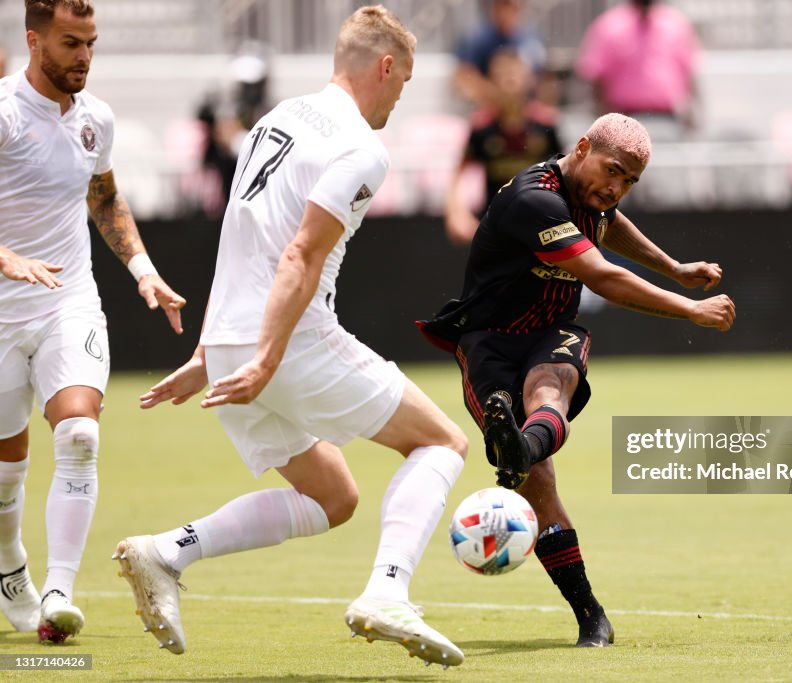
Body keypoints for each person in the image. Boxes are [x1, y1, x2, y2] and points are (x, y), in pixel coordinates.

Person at [114, 6, 468, 667]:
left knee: (334, 495)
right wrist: (268, 357)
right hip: (285, 342)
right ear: (384, 67)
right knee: (443, 440)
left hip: (231, 342)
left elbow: (239, 236)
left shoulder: (273, 120)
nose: (401, 96)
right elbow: (300, 255)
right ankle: (388, 591)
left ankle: (168, 552)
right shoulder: (362, 147)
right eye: (404, 80)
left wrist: (210, 352)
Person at [419, 113, 735, 647]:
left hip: (551, 331)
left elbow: (613, 225)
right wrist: (689, 308)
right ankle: (591, 611)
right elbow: (604, 275)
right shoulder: (533, 200)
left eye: (629, 182)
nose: (616, 189)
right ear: (582, 147)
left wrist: (674, 267)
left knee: (550, 384)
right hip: (488, 342)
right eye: (613, 172)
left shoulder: (593, 196)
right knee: (539, 483)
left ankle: (519, 447)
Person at [0, 0, 186, 644]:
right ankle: (9, 565)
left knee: (79, 432)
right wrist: (5, 257)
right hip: (1, 310)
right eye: (71, 43)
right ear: (35, 40)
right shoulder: (1, 112)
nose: (83, 56)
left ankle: (58, 590)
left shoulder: (95, 119)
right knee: (6, 464)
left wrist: (143, 269)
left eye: (91, 43)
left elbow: (103, 197)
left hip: (67, 302)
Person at [446, 49, 561, 245]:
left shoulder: (545, 125)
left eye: (514, 73)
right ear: (491, 82)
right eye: (502, 75)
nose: (510, 80)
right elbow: (458, 174)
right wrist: (457, 213)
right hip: (495, 230)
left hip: (541, 228)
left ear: (529, 80)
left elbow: (565, 173)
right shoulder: (482, 128)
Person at [575, 0, 702, 138]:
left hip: (667, 120)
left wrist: (693, 112)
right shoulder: (609, 25)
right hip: (623, 122)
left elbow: (689, 72)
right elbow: (596, 78)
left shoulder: (675, 24)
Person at [452, 0, 546, 108]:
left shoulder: (531, 38)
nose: (508, 12)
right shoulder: (476, 38)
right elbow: (464, 79)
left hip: (524, 110)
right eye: (504, 6)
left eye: (514, 7)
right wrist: (499, 96)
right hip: (487, 107)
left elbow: (541, 78)